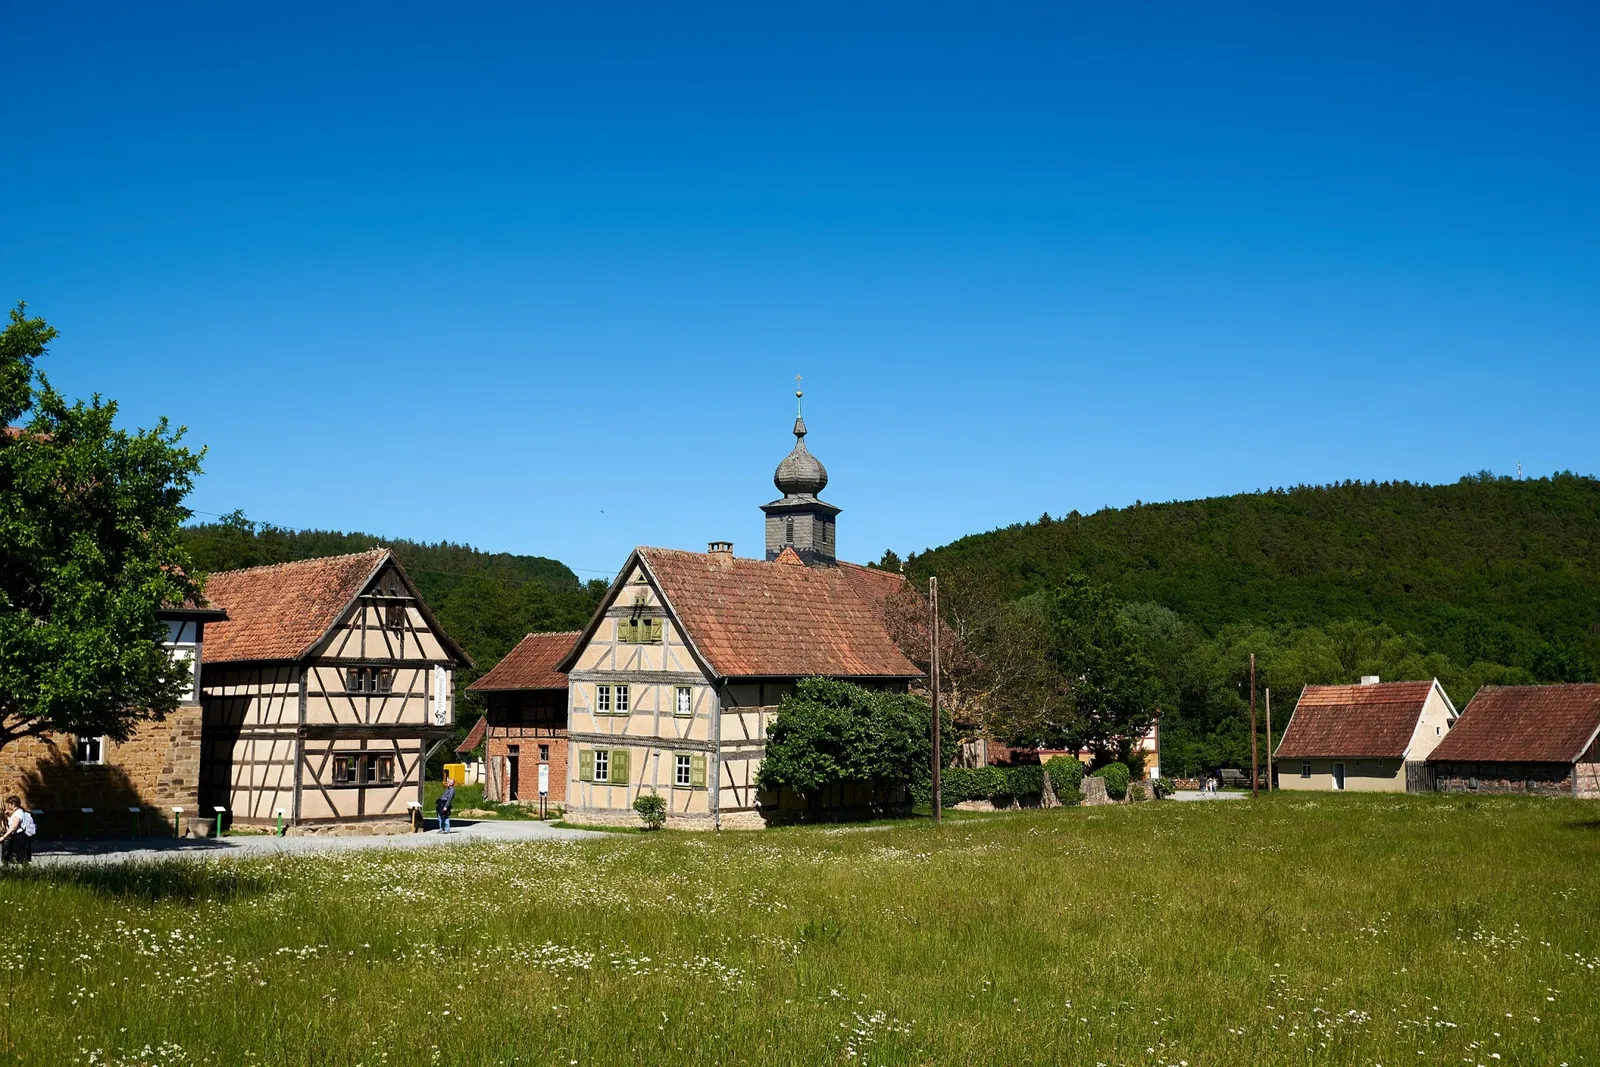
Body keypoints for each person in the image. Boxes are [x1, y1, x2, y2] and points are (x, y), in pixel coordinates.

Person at [1, 796, 35, 865]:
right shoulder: (16, 813)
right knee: (12, 857)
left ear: (13, 804)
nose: (8, 806)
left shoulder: (18, 813)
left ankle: (21, 873)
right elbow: (11, 825)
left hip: (19, 837)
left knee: (20, 858)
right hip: (17, 837)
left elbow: (14, 827)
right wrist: (8, 817)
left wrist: (3, 837)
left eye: (9, 804)